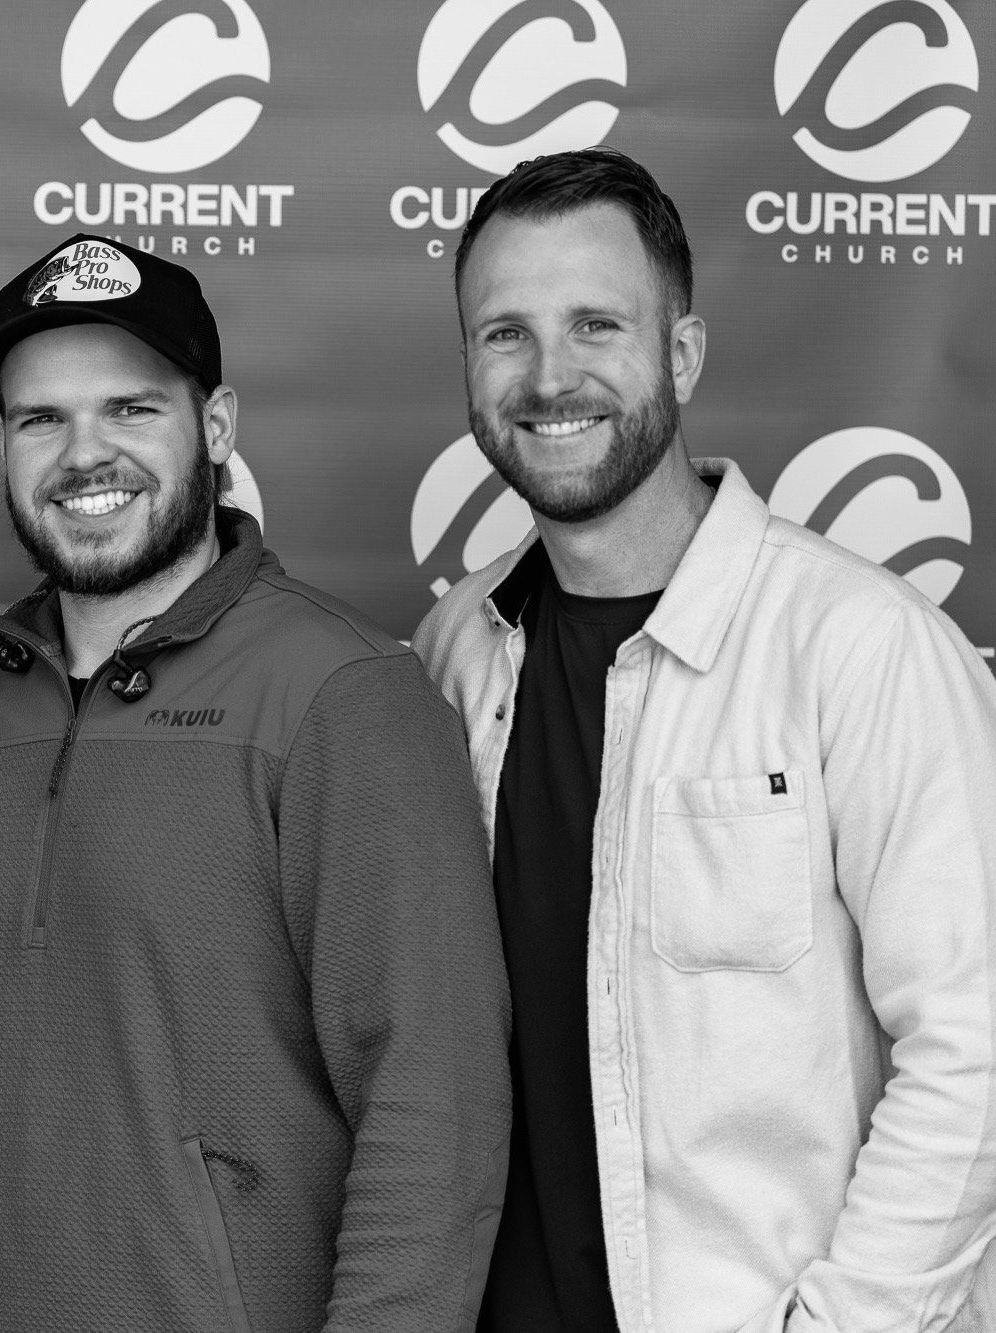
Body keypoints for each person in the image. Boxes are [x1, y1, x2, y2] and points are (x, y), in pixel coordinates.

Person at [413, 147, 996, 1331]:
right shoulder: (450, 650)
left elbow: (973, 1049)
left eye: (594, 324)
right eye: (504, 334)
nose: (549, 376)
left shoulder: (858, 646)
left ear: (679, 354)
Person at [0, 233, 511, 1333]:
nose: (84, 454)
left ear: (218, 425)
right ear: (0, 442)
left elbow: (435, 1100)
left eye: (131, 409)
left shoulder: (345, 694)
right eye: (41, 418)